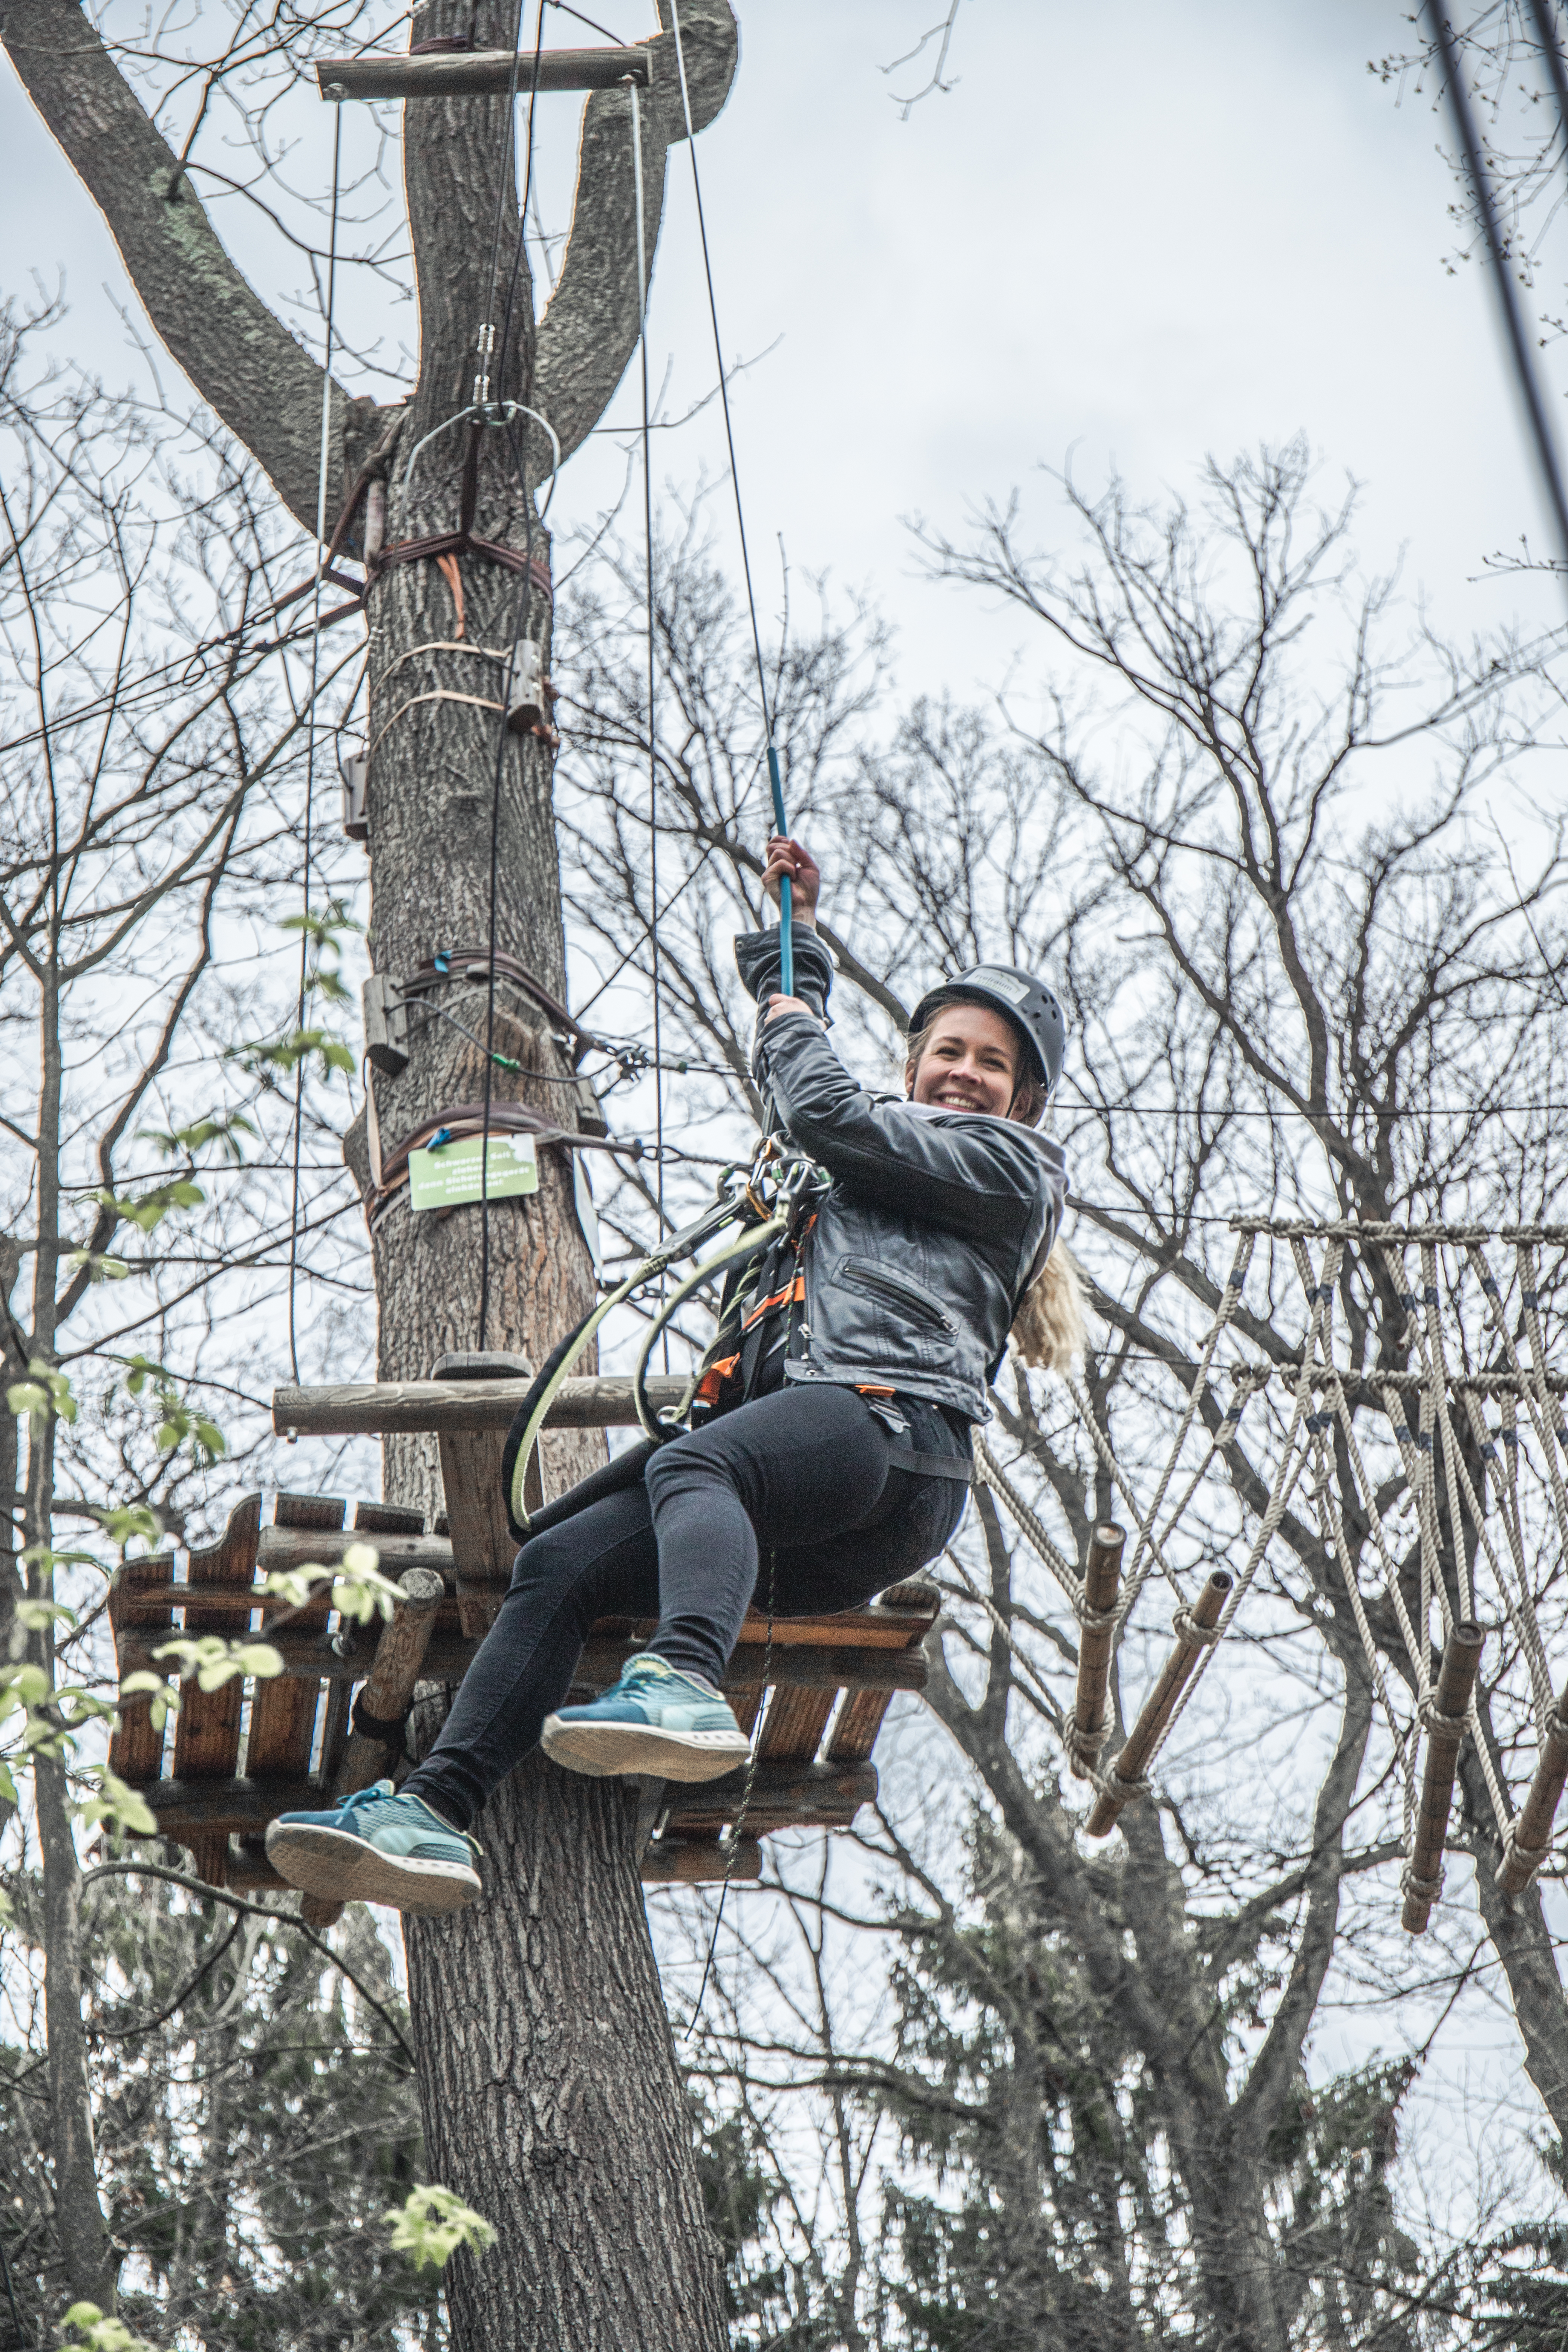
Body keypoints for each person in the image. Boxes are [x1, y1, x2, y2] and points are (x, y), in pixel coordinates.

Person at [266, 838, 1070, 1916]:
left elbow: (824, 1108)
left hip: (894, 1442)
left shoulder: (1014, 1173)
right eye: (948, 1052)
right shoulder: (856, 1171)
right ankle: (433, 1811)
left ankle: (686, 1679)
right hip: (803, 1494)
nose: (964, 1074)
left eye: (991, 1065)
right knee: (560, 1558)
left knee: (700, 1469)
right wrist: (796, 960)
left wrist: (791, 1021)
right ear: (916, 1062)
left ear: (1019, 1103)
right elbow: (825, 1124)